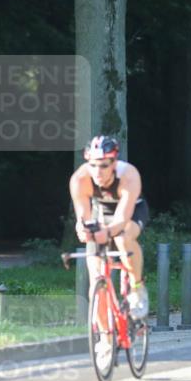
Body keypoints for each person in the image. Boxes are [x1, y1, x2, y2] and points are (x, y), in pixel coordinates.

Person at [69, 135, 150, 338]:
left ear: (114, 162)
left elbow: (122, 218)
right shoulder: (79, 179)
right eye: (93, 165)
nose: (98, 172)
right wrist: (83, 229)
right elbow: (83, 216)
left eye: (104, 165)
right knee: (97, 278)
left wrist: (107, 233)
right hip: (101, 212)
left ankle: (137, 287)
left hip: (131, 211)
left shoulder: (129, 175)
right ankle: (105, 338)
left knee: (123, 238)